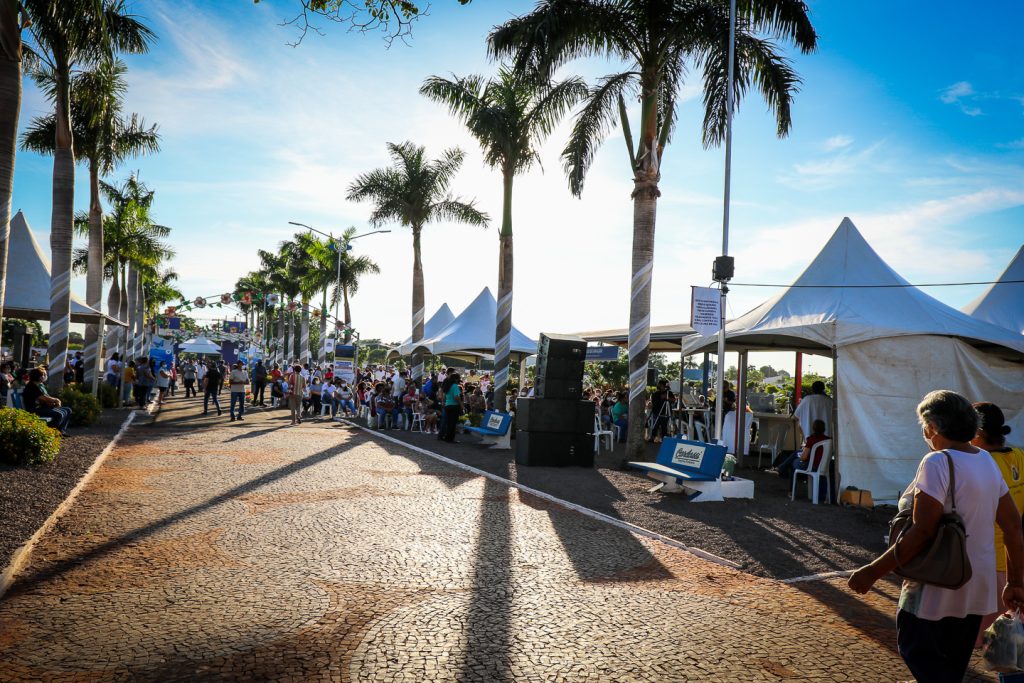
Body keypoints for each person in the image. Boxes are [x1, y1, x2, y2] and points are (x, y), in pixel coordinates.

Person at [848, 390, 1024, 683]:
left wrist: (872, 571)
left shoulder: (936, 462)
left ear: (931, 426)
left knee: (917, 649)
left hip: (936, 584)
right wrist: (1016, 583)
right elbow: (1014, 528)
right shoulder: (986, 461)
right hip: (976, 584)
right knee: (952, 663)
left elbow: (923, 530)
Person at [973, 402, 1024, 643]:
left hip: (990, 559)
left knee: (987, 636)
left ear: (979, 433)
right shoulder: (1019, 456)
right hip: (1015, 556)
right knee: (1010, 634)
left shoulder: (981, 463)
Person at [775, 419, 831, 492]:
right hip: (825, 466)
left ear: (813, 428)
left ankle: (791, 491)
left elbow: (803, 458)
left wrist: (801, 456)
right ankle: (781, 468)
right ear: (824, 429)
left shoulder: (812, 439)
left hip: (812, 466)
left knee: (792, 464)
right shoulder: (828, 440)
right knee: (797, 453)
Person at [21, 368, 72, 435]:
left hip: (40, 407)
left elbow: (44, 398)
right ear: (38, 376)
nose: (44, 376)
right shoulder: (32, 386)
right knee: (59, 414)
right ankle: (51, 432)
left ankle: (61, 431)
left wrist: (53, 402)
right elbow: (44, 398)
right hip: (34, 409)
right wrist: (56, 400)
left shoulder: (36, 385)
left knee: (68, 410)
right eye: (43, 375)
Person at [439, 372, 463, 443]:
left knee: (448, 423)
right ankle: (450, 439)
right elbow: (456, 397)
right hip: (454, 406)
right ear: (456, 379)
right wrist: (461, 404)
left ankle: (447, 437)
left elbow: (444, 396)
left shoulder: (448, 386)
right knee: (453, 423)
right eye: (458, 378)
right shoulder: (455, 386)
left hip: (447, 405)